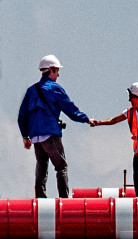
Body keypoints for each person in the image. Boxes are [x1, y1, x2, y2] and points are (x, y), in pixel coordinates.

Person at [17, 55, 93, 199]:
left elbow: (22, 116)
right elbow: (70, 109)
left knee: (41, 168)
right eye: (57, 71)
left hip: (35, 137)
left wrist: (25, 136)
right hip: (50, 134)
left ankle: (40, 201)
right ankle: (64, 201)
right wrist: (86, 119)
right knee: (61, 167)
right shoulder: (54, 88)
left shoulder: (31, 90)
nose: (58, 74)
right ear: (51, 70)